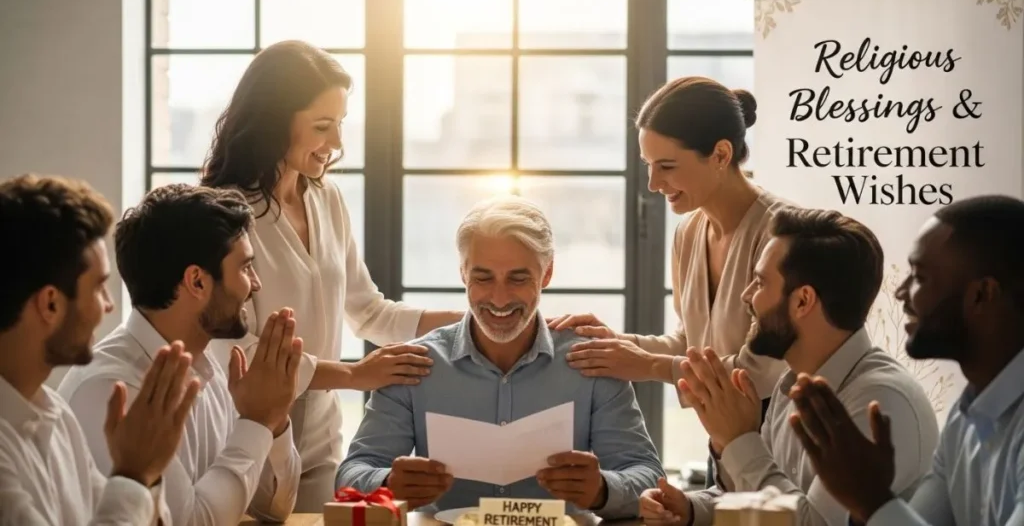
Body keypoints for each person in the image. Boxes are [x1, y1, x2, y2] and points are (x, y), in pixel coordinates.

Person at [200, 39, 462, 510]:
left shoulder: (326, 199)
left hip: (321, 439)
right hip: (243, 432)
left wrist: (464, 322)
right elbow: (242, 351)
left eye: (339, 125)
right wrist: (354, 375)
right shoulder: (221, 216)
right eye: (322, 126)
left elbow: (368, 311)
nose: (337, 143)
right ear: (273, 121)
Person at [336, 195, 664, 519]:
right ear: (463, 273)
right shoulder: (414, 365)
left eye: (518, 278)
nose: (499, 297)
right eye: (483, 278)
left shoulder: (591, 362)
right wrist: (388, 483)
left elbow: (648, 476)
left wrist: (603, 489)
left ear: (547, 274)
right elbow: (351, 474)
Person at [638, 207, 940, 526]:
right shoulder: (793, 381)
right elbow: (762, 495)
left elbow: (812, 523)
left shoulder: (877, 400)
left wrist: (740, 440)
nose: (746, 296)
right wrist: (689, 508)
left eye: (759, 283)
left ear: (802, 301)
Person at [56, 184, 307, 525]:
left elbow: (272, 508)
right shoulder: (112, 389)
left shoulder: (210, 367)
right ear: (197, 282)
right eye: (245, 267)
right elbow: (190, 522)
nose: (256, 283)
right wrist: (256, 422)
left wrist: (273, 419)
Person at [785, 195, 1024, 526]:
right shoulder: (964, 417)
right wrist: (863, 503)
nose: (901, 292)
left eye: (921, 277)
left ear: (982, 295)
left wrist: (871, 498)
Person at [549, 77, 789, 400]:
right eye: (648, 165)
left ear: (720, 155)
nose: (652, 183)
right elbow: (689, 344)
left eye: (666, 166)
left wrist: (648, 365)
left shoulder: (783, 235)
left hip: (786, 438)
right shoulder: (688, 234)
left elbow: (761, 371)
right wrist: (617, 345)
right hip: (724, 438)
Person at [0, 174, 199, 524]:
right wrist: (134, 474)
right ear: (50, 304)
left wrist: (146, 474)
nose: (108, 306)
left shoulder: (56, 413)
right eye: (99, 288)